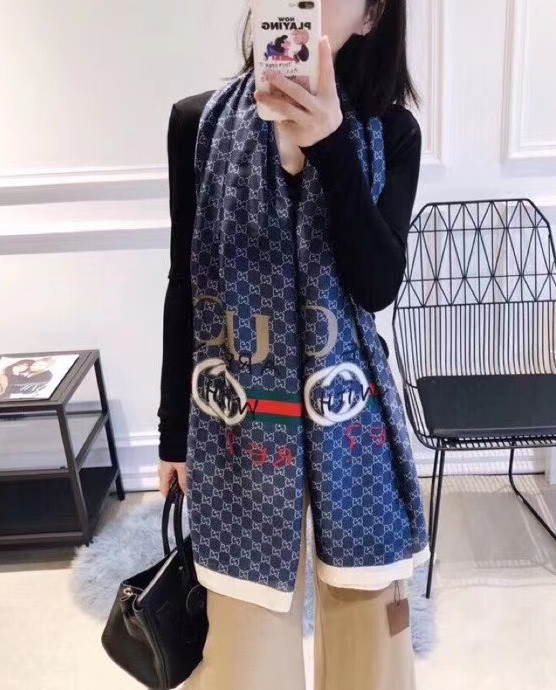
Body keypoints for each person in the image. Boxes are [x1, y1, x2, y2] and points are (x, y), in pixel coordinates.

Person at [156, 1, 426, 688]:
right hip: (237, 423)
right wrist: (171, 434)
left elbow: (375, 285)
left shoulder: (392, 132)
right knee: (244, 655)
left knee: (371, 653)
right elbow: (187, 283)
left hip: (353, 422)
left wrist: (331, 145)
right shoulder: (197, 124)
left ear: (371, 16)